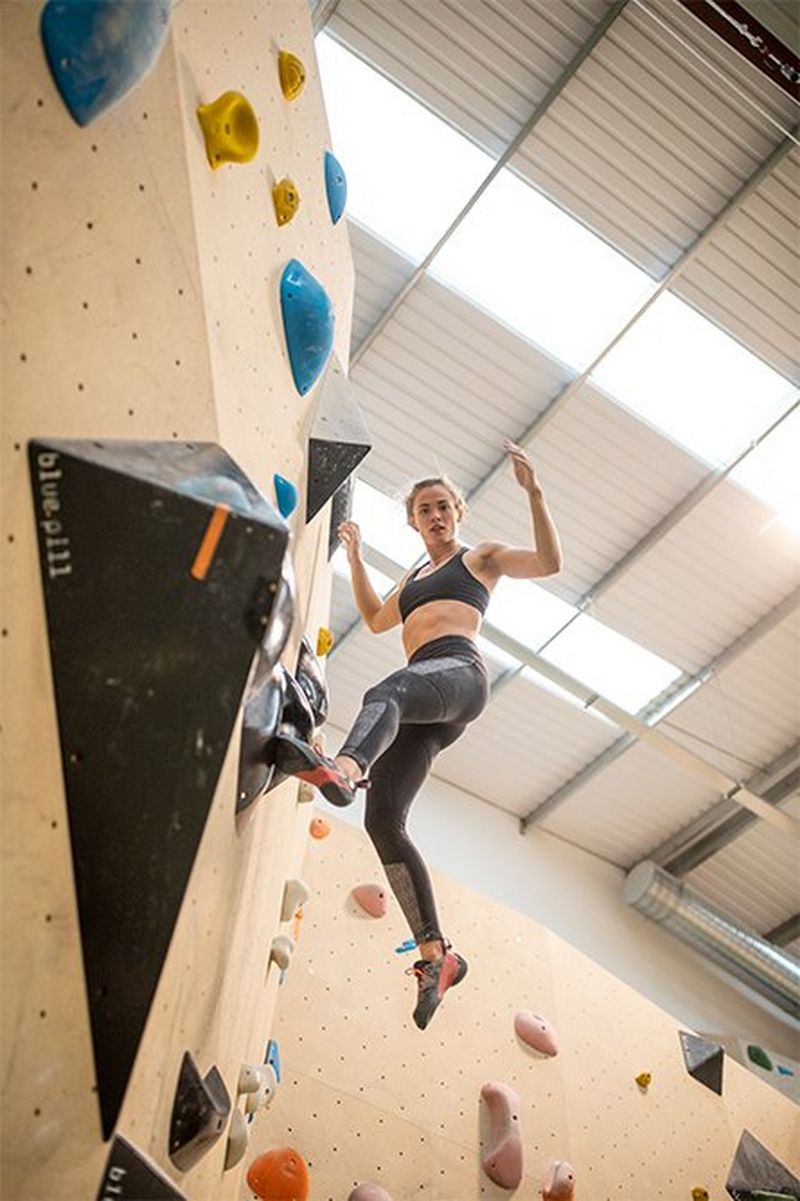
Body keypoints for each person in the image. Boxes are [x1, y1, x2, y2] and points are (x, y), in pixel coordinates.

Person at [275, 440, 563, 1029]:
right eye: (424, 509)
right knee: (384, 821)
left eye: (443, 507)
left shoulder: (478, 557)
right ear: (412, 520)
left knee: (386, 694)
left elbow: (549, 563)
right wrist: (354, 557)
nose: (435, 516)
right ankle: (436, 954)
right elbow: (381, 619)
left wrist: (534, 493)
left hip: (457, 672)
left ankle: (347, 768)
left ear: (458, 512)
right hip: (429, 704)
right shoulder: (414, 575)